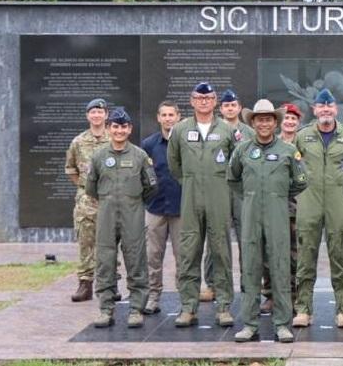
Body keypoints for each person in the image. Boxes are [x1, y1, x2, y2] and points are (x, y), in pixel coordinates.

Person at [229, 100, 308, 343]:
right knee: (250, 269)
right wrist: (252, 196)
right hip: (251, 216)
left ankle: (282, 324)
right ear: (252, 122)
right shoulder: (242, 150)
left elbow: (301, 181)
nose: (264, 123)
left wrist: (277, 195)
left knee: (280, 269)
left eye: (268, 119)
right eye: (259, 119)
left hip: (278, 215)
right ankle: (250, 324)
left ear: (276, 122)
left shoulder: (287, 151)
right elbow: (233, 179)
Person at [167, 81, 238, 328]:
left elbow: (235, 164)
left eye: (208, 98)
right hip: (191, 197)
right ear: (192, 101)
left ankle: (224, 307)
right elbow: (174, 164)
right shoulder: (180, 130)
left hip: (219, 196)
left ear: (215, 101)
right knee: (188, 252)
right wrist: (190, 181)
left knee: (221, 251)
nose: (204, 102)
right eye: (199, 98)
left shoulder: (227, 130)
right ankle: (188, 307)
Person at [86, 109, 158, 328]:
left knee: (136, 260)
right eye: (115, 127)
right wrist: (108, 201)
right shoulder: (99, 156)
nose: (119, 131)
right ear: (109, 128)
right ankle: (106, 309)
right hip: (107, 215)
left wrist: (133, 201)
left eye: (123, 127)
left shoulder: (139, 156)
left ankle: (136, 309)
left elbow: (151, 186)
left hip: (132, 214)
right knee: (105, 262)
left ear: (130, 129)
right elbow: (91, 186)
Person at [292, 89, 343, 328]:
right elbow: (293, 167)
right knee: (305, 256)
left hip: (339, 202)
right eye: (321, 106)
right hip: (309, 201)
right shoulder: (302, 137)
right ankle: (303, 309)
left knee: (341, 256)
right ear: (314, 110)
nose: (326, 110)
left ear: (335, 110)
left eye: (329, 106)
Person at [201, 88, 254, 301]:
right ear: (220, 108)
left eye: (233, 105)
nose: (230, 108)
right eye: (226, 106)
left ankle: (248, 283)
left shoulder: (249, 133)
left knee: (247, 238)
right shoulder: (212, 130)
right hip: (219, 189)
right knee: (215, 236)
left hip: (242, 191)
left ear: (239, 108)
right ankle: (213, 284)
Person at [65, 97, 110, 302]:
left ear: (106, 115)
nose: (97, 115)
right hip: (86, 200)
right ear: (87, 116)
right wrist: (84, 187)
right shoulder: (78, 141)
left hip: (109, 198)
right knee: (85, 241)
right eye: (93, 112)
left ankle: (109, 284)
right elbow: (71, 169)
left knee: (109, 242)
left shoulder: (114, 138)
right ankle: (85, 284)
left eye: (100, 112)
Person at [260, 101, 303, 315]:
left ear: (298, 122)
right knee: (269, 253)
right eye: (286, 118)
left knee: (293, 253)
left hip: (294, 208)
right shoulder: (269, 142)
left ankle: (293, 295)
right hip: (271, 206)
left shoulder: (303, 143)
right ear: (279, 122)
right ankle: (269, 294)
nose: (289, 122)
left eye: (293, 119)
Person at [141, 101, 182, 315]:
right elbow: (143, 175)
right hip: (155, 208)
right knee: (152, 256)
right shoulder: (148, 145)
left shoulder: (185, 143)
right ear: (158, 118)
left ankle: (186, 298)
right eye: (164, 115)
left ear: (178, 117)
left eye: (171, 114)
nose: (168, 118)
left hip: (180, 209)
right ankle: (153, 296)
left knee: (183, 257)